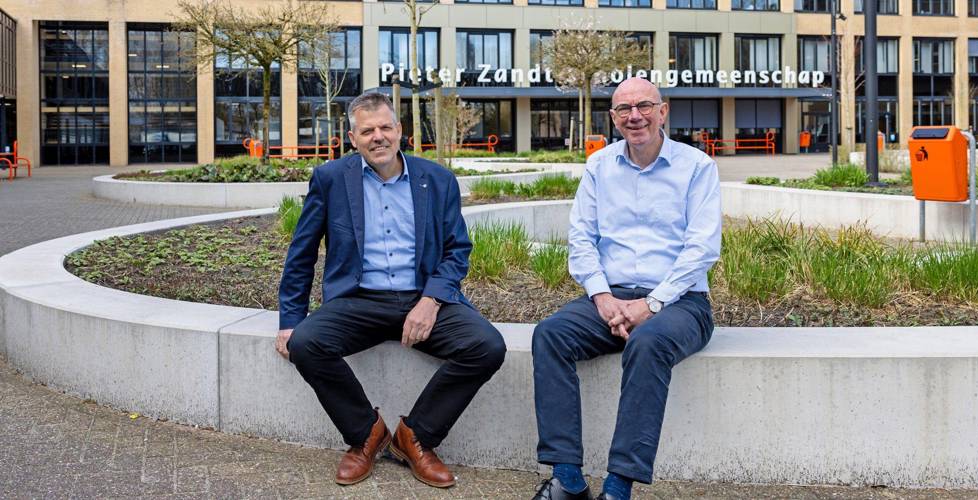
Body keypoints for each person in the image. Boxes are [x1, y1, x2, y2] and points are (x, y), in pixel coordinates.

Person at [275, 91, 506, 489]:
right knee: (306, 343)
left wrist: (432, 300)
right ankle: (366, 434)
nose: (377, 137)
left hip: (423, 297)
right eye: (367, 131)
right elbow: (302, 252)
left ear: (400, 131)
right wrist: (291, 319)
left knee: (487, 346)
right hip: (358, 300)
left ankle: (415, 437)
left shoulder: (437, 180)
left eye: (385, 127)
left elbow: (457, 251)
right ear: (352, 137)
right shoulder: (330, 180)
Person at [530, 77, 721, 500]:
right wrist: (602, 298)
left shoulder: (697, 167)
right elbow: (581, 238)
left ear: (663, 111)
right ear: (614, 118)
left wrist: (650, 305)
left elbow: (702, 248)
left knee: (648, 344)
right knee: (550, 335)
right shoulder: (600, 166)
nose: (635, 116)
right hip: (611, 297)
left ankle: (618, 487)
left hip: (681, 302)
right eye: (623, 109)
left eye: (644, 106)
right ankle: (568, 479)